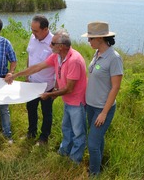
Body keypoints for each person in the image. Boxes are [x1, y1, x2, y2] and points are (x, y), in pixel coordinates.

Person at [6, 29, 87, 163]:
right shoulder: (57, 56)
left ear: (61, 46)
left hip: (77, 102)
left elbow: (69, 88)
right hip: (68, 100)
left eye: (53, 43)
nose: (50, 46)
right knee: (66, 128)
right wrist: (16, 75)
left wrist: (49, 94)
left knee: (78, 132)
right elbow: (37, 67)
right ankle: (64, 152)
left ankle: (74, 161)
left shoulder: (74, 60)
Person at [81, 21, 123, 176]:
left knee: (92, 144)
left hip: (102, 108)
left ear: (100, 38)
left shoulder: (114, 58)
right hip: (90, 106)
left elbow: (115, 87)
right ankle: (99, 163)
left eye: (91, 38)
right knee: (97, 140)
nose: (88, 41)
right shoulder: (97, 53)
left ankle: (94, 174)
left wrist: (104, 113)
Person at [25, 15, 55, 145]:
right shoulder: (33, 38)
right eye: (32, 30)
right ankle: (31, 132)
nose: (33, 33)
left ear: (45, 29)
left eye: (36, 31)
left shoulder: (54, 43)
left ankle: (44, 137)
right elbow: (29, 56)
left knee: (46, 112)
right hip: (32, 83)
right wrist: (27, 75)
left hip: (46, 86)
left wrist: (56, 87)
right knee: (31, 109)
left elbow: (59, 66)